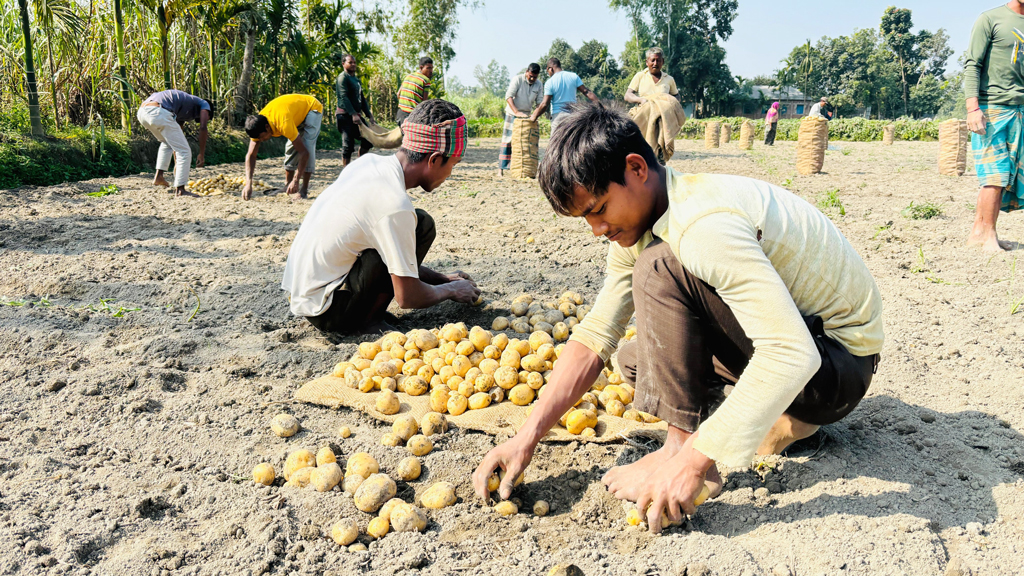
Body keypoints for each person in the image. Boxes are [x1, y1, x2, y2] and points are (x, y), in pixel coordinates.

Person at [472, 103, 883, 531]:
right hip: (809, 355)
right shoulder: (647, 218)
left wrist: (690, 462)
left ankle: (686, 448)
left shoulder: (701, 225)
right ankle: (774, 420)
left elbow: (792, 353)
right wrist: (526, 437)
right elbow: (597, 334)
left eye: (598, 208)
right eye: (585, 219)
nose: (596, 229)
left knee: (658, 268)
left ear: (635, 168)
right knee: (636, 358)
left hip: (836, 371)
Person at [281, 99, 481, 336]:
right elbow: (408, 297)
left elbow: (393, 255)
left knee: (419, 223)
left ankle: (366, 311)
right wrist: (451, 290)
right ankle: (366, 321)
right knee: (414, 225)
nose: (450, 174)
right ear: (435, 159)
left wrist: (441, 278)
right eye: (453, 165)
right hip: (327, 311)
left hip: (307, 295)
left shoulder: (368, 163)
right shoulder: (394, 206)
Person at [964, 1, 1024, 252]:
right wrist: (973, 108)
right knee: (994, 173)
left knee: (1008, 174)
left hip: (1020, 109)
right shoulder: (990, 19)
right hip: (992, 108)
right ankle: (983, 234)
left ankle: (983, 231)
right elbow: (972, 64)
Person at [243, 94, 323, 201]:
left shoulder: (283, 123)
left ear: (267, 127)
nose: (260, 141)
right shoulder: (257, 124)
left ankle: (303, 190)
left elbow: (304, 153)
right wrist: (249, 183)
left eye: (261, 137)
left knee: (307, 145)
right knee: (290, 148)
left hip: (312, 108)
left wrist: (296, 180)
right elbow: (251, 155)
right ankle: (287, 185)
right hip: (293, 114)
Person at [136, 89, 211, 197]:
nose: (206, 118)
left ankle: (159, 177)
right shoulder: (204, 104)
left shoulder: (184, 108)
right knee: (185, 151)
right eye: (208, 117)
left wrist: (178, 164)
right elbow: (203, 128)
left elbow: (175, 141)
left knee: (167, 142)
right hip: (158, 111)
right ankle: (181, 190)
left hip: (143, 112)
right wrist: (201, 154)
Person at [529, 58, 599, 131]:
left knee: (556, 142)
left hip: (558, 117)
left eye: (548, 71)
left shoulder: (550, 82)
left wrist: (534, 116)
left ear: (550, 69)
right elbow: (586, 92)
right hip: (573, 116)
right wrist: (600, 104)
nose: (548, 73)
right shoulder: (573, 76)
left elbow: (544, 104)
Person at [499, 63, 544, 175]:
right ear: (526, 72)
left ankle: (523, 170)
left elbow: (540, 103)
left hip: (526, 116)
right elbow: (508, 97)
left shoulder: (539, 84)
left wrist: (534, 115)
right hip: (512, 114)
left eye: (535, 77)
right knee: (507, 141)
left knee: (527, 143)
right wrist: (516, 112)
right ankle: (501, 169)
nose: (533, 78)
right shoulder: (517, 79)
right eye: (530, 76)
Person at [336, 54, 374, 168]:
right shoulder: (343, 78)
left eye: (354, 62)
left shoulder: (356, 79)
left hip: (356, 116)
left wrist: (369, 115)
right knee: (348, 145)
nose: (353, 64)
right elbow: (344, 97)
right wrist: (353, 114)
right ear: (343, 64)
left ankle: (358, 165)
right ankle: (345, 171)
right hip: (345, 116)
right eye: (350, 62)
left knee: (368, 140)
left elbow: (361, 98)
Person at [397, 57, 434, 127]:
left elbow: (398, 94)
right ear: (421, 68)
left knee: (404, 136)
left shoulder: (408, 76)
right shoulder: (426, 80)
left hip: (400, 113)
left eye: (431, 68)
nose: (431, 71)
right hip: (413, 116)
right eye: (428, 68)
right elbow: (424, 103)